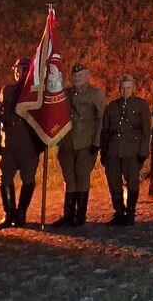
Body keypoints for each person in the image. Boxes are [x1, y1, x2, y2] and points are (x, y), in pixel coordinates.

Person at [53, 62, 105, 228]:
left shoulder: (96, 94)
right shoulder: (65, 94)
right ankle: (68, 214)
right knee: (69, 178)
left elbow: (101, 119)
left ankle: (80, 215)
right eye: (75, 76)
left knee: (82, 178)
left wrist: (97, 142)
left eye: (80, 75)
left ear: (87, 77)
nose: (77, 78)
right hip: (67, 143)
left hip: (85, 142)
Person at [0, 57, 45, 230]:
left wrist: (42, 143)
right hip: (8, 143)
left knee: (28, 178)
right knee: (5, 178)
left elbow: (43, 118)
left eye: (24, 69)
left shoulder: (35, 91)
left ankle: (21, 212)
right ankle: (9, 214)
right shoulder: (7, 91)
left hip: (28, 144)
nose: (20, 72)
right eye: (18, 69)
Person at [100, 74, 151, 226]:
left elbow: (146, 130)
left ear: (134, 88)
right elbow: (105, 130)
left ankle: (130, 213)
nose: (125, 91)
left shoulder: (141, 105)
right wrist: (104, 151)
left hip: (132, 150)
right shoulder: (112, 106)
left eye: (128, 88)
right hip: (113, 150)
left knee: (133, 183)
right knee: (114, 182)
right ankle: (119, 212)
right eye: (122, 88)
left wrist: (143, 152)